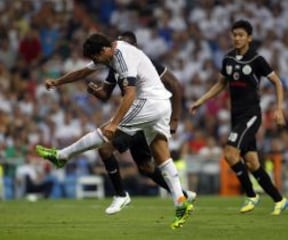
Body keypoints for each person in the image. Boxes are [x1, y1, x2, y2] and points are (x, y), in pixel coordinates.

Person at [36, 32, 193, 229]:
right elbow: (84, 72)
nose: (95, 62)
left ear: (103, 50)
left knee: (104, 133)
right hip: (162, 104)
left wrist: (114, 123)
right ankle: (181, 202)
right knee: (162, 157)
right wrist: (58, 82)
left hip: (149, 102)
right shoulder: (111, 53)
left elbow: (129, 94)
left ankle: (62, 155)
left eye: (95, 58)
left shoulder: (121, 57)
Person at [87, 31, 196, 215]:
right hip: (135, 117)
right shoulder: (116, 65)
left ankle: (121, 196)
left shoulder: (148, 64)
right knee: (146, 167)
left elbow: (175, 85)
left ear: (135, 47)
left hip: (145, 115)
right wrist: (95, 91)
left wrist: (175, 119)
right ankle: (181, 195)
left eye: (125, 45)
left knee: (105, 148)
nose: (120, 49)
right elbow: (105, 95)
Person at [190, 20, 287, 215]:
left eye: (241, 35)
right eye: (234, 34)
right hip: (236, 116)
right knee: (252, 162)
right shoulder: (228, 59)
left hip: (251, 115)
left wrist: (278, 109)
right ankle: (280, 200)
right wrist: (201, 100)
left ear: (249, 38)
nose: (237, 38)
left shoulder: (257, 60)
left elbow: (277, 83)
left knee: (229, 153)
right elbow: (221, 84)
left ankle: (251, 195)